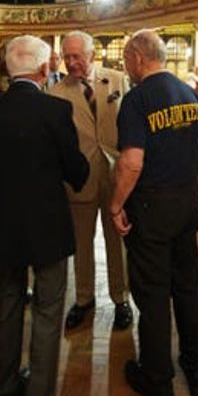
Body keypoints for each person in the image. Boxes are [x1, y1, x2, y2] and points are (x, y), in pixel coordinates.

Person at [0, 35, 89, 396]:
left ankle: (4, 390)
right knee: (49, 311)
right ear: (43, 68)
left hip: (1, 229)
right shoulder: (54, 112)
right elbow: (76, 170)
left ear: (7, 67)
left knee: (4, 309)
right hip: (48, 227)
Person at [109, 30, 198, 396]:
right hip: (186, 199)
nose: (125, 65)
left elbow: (132, 161)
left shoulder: (137, 99)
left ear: (138, 57)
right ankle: (196, 368)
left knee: (152, 293)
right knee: (187, 286)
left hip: (151, 206)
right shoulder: (190, 93)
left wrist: (116, 204)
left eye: (125, 58)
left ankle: (157, 378)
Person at [49, 31, 132, 331]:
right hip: (79, 179)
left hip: (116, 176)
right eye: (66, 57)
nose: (71, 63)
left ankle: (121, 299)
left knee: (116, 241)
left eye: (77, 57)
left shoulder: (119, 80)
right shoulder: (56, 93)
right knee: (81, 243)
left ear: (91, 55)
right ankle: (83, 299)